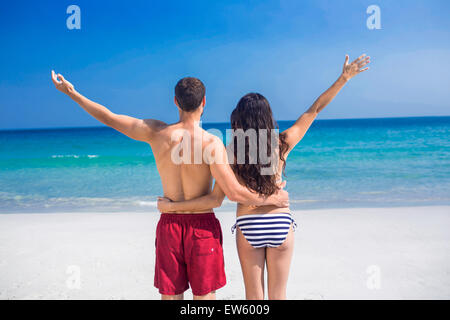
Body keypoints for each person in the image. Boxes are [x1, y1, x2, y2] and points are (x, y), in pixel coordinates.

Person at [50, 73, 289, 300]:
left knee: (170, 296)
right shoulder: (211, 143)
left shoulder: (156, 133)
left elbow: (109, 118)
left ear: (175, 101)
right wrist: (272, 200)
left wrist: (72, 93)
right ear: (204, 102)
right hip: (202, 229)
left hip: (169, 227)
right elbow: (228, 195)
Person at [157, 54, 371, 299]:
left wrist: (175, 206)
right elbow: (315, 109)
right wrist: (343, 78)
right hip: (280, 222)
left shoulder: (231, 151)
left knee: (254, 297)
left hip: (248, 225)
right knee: (278, 295)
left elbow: (222, 194)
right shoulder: (282, 144)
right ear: (268, 116)